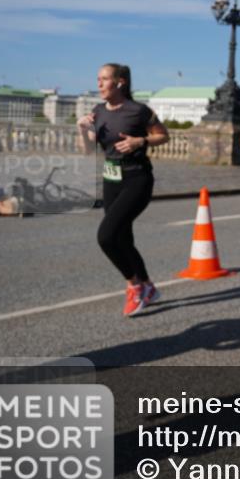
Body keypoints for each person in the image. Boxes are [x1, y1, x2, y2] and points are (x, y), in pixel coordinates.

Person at [77, 63, 169, 316]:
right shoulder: (97, 111)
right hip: (111, 179)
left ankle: (134, 286)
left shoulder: (138, 111)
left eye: (104, 79)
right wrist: (82, 129)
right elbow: (88, 150)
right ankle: (149, 287)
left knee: (106, 236)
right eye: (98, 78)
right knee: (123, 237)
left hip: (136, 178)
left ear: (120, 83)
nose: (99, 84)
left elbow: (164, 136)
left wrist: (141, 140)